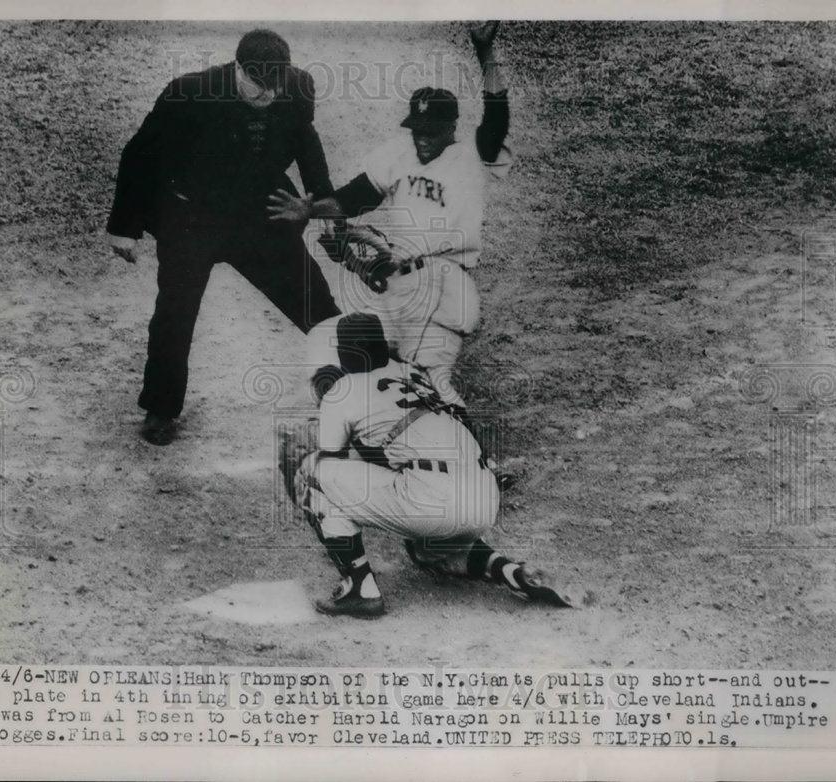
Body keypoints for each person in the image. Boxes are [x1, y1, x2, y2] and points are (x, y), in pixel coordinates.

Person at [107, 29, 341, 445]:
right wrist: (123, 228)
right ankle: (161, 408)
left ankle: (361, 388)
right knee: (175, 314)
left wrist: (325, 204)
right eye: (258, 84)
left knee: (315, 302)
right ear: (238, 69)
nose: (268, 94)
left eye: (276, 85)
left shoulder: (298, 86)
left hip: (260, 218)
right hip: (193, 217)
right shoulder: (189, 92)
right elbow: (139, 154)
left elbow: (307, 141)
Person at [267, 22, 510, 411]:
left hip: (444, 285)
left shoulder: (471, 157)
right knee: (338, 349)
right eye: (417, 129)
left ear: (452, 128)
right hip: (396, 285)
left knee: (431, 385)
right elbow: (353, 199)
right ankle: (354, 438)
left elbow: (496, 115)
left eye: (432, 130)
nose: (422, 137)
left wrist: (485, 53)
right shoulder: (399, 154)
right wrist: (310, 210)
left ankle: (477, 459)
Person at [283, 313, 582, 618]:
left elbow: (332, 461)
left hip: (430, 495)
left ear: (345, 354)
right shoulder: (414, 375)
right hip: (483, 496)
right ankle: (508, 571)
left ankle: (360, 588)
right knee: (426, 548)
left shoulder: (344, 389)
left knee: (311, 473)